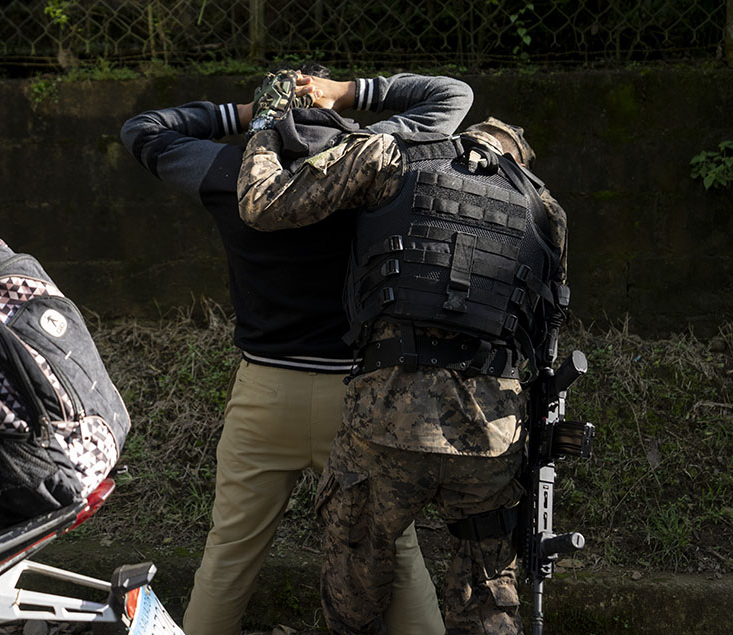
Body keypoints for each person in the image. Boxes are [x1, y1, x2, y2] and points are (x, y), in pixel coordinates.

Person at [120, 67, 475, 635]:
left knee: (228, 557)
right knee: (395, 550)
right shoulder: (374, 160)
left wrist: (245, 113)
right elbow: (454, 95)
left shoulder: (229, 172)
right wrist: (345, 91)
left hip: (265, 393)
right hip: (359, 397)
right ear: (334, 113)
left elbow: (144, 129)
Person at [236, 75, 568, 634]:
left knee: (355, 589)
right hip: (492, 434)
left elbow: (261, 202)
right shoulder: (545, 209)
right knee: (489, 603)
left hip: (387, 420)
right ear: (518, 161)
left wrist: (266, 127)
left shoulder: (389, 155)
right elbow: (547, 331)